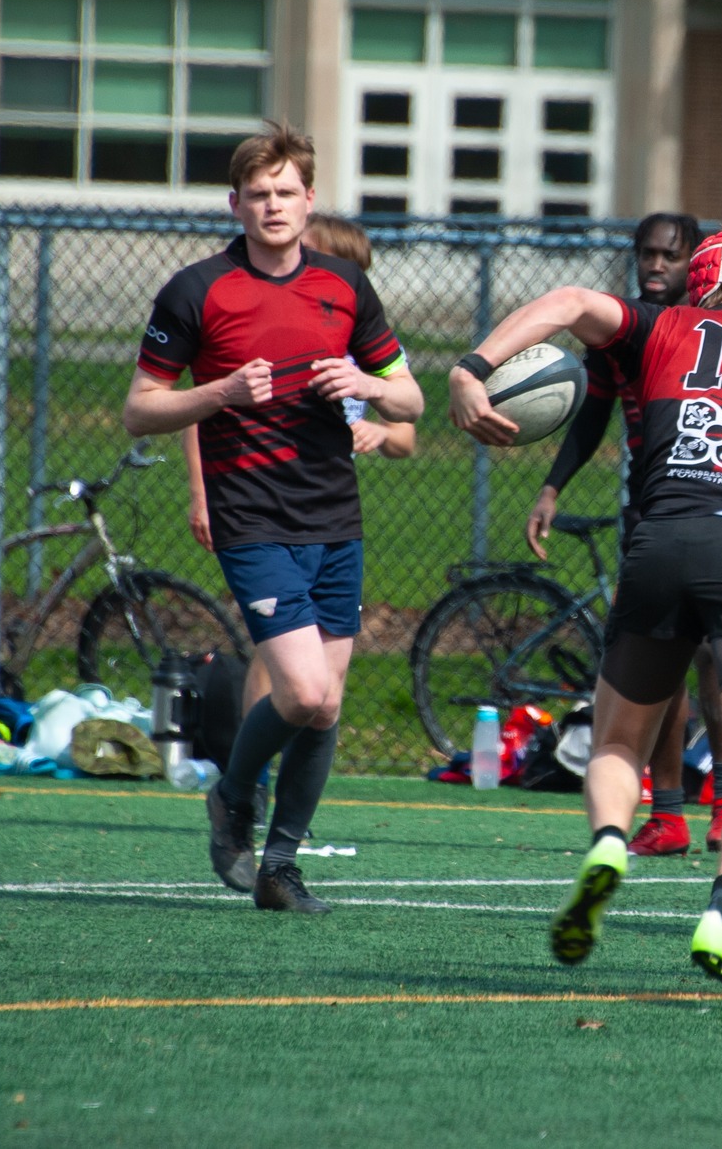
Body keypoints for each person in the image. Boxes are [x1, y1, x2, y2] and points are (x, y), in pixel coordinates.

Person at [449, 228, 722, 1010]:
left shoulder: (659, 325)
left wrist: (470, 367)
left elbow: (569, 301)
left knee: (619, 740)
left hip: (657, 541)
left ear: (695, 284)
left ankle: (608, 844)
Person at [123, 125, 423, 914]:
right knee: (304, 690)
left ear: (309, 199)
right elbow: (139, 409)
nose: (273, 205)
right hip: (252, 516)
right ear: (236, 203)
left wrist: (366, 383)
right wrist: (220, 392)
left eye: (286, 191)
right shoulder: (198, 290)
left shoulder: (345, 287)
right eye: (258, 194)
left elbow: (411, 399)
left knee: (327, 703)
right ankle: (232, 795)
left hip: (336, 518)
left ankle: (279, 866)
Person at [179, 214, 416, 784]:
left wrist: (377, 428)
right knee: (279, 660)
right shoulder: (266, 323)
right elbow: (201, 410)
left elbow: (406, 433)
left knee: (323, 689)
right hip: (261, 510)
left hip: (328, 516)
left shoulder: (363, 342)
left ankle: (288, 806)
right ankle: (249, 784)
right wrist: (201, 494)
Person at [527, 213, 722, 859]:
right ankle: (667, 813)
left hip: (720, 500)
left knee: (718, 657)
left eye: (671, 254)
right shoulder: (621, 330)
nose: (656, 264)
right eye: (646, 253)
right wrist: (551, 487)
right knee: (662, 661)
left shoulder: (715, 326)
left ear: (695, 261)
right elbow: (592, 415)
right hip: (650, 509)